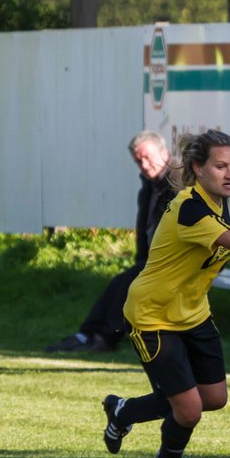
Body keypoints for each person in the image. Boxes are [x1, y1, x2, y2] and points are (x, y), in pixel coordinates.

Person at [101, 130, 230, 458]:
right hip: (153, 316)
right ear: (198, 168)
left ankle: (122, 410)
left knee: (214, 397)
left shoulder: (216, 203)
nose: (229, 174)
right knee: (189, 410)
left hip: (193, 313)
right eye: (220, 166)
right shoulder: (189, 208)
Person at [46, 131, 177, 352]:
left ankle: (106, 338)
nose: (143, 165)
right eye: (138, 160)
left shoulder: (177, 186)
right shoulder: (149, 187)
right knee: (119, 282)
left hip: (173, 263)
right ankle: (85, 334)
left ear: (164, 153)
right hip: (152, 261)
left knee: (130, 285)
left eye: (147, 157)